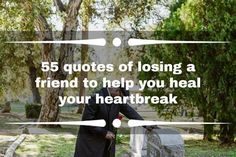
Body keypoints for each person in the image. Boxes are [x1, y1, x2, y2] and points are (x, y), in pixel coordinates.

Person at [74, 87, 148, 157]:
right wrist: (104, 132)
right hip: (91, 142)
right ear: (117, 90)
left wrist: (145, 124)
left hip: (107, 142)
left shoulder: (117, 98)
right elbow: (87, 121)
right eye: (121, 96)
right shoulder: (95, 98)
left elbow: (129, 111)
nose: (121, 99)